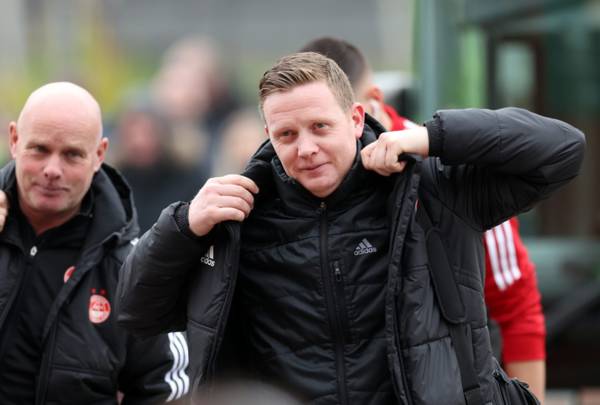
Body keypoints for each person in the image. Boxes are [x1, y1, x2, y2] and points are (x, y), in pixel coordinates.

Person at [117, 52, 585, 404]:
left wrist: (432, 136)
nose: (306, 149)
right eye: (286, 135)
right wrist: (183, 226)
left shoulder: (430, 189)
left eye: (320, 127)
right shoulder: (235, 217)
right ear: (269, 137)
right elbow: (137, 312)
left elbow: (562, 150)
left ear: (356, 117)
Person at [300, 36, 546, 402]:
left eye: (325, 125)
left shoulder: (447, 170)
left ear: (368, 106)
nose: (311, 146)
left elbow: (516, 305)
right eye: (296, 129)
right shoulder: (299, 181)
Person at [0, 82, 189, 403]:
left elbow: (168, 390)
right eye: (40, 149)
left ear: (99, 154)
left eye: (72, 154)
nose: (52, 170)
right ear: (15, 140)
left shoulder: (133, 270)